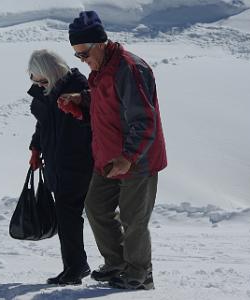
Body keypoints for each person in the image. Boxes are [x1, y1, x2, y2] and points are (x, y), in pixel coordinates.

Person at [60, 11, 167, 290]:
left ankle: (140, 275)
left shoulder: (129, 68)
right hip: (108, 156)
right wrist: (81, 99)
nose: (83, 61)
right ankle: (117, 263)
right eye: (78, 57)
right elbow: (106, 102)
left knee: (134, 219)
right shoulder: (100, 71)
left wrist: (128, 158)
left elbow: (144, 120)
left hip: (136, 159)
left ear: (100, 43)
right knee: (96, 208)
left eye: (84, 54)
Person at [27, 49, 93, 286]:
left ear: (52, 72)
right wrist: (36, 149)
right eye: (36, 81)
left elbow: (96, 115)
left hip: (77, 160)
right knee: (68, 215)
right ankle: (75, 266)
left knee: (70, 214)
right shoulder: (46, 92)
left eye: (42, 80)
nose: (39, 84)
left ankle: (77, 266)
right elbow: (42, 124)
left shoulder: (78, 86)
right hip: (56, 161)